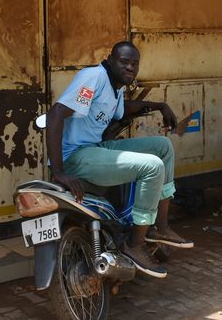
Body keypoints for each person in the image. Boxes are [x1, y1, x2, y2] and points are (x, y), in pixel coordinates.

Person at [46, 41, 193, 278]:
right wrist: (59, 171)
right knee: (152, 167)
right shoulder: (93, 77)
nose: (130, 68)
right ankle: (134, 244)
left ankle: (161, 227)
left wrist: (159, 105)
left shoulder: (116, 86)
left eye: (135, 64)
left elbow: (122, 109)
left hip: (96, 147)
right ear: (110, 59)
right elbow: (55, 115)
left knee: (163, 147)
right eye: (124, 62)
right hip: (76, 155)